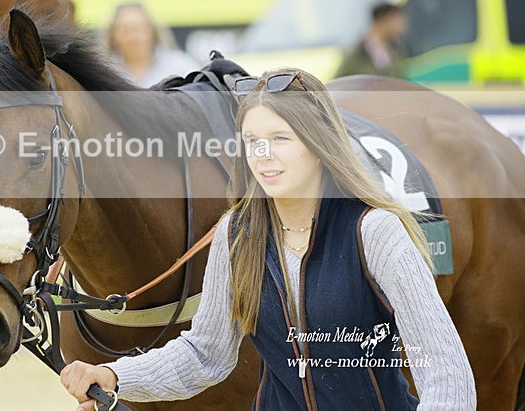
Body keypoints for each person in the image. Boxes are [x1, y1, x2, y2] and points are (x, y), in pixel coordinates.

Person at [60, 68, 476, 410]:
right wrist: (116, 375)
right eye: (253, 142)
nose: (263, 155)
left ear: (317, 144)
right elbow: (205, 354)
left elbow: (448, 378)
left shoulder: (375, 232)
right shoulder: (236, 235)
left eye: (280, 139)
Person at [106, 2, 199, 87]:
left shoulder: (181, 66)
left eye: (139, 29)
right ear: (112, 36)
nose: (133, 37)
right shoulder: (106, 70)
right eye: (125, 31)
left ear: (152, 31)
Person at [335, 2, 408, 78]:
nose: (402, 27)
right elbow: (338, 84)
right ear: (383, 19)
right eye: (398, 21)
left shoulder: (397, 50)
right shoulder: (356, 52)